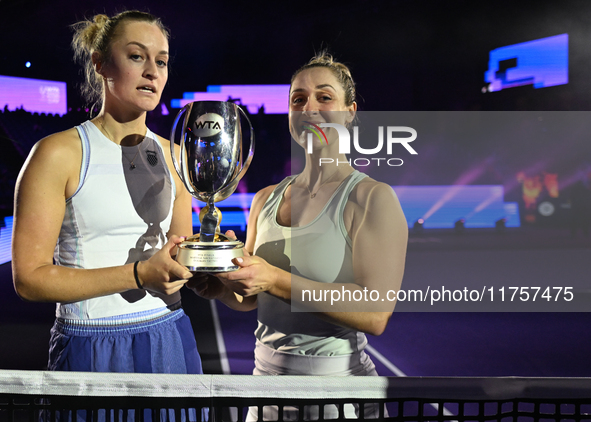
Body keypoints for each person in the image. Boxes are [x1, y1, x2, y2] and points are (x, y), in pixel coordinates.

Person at [190, 52, 408, 420]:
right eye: (299, 99)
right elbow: (252, 300)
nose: (310, 108)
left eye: (325, 97)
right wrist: (222, 289)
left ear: (349, 111)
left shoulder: (371, 197)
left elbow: (375, 312)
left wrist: (274, 278)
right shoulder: (266, 198)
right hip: (265, 391)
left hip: (339, 396)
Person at [11, 10, 202, 378]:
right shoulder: (58, 153)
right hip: (90, 345)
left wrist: (209, 258)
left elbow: (178, 252)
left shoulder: (175, 155)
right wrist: (138, 274)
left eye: (161, 61)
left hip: (170, 335)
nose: (152, 71)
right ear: (100, 63)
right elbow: (30, 279)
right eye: (136, 56)